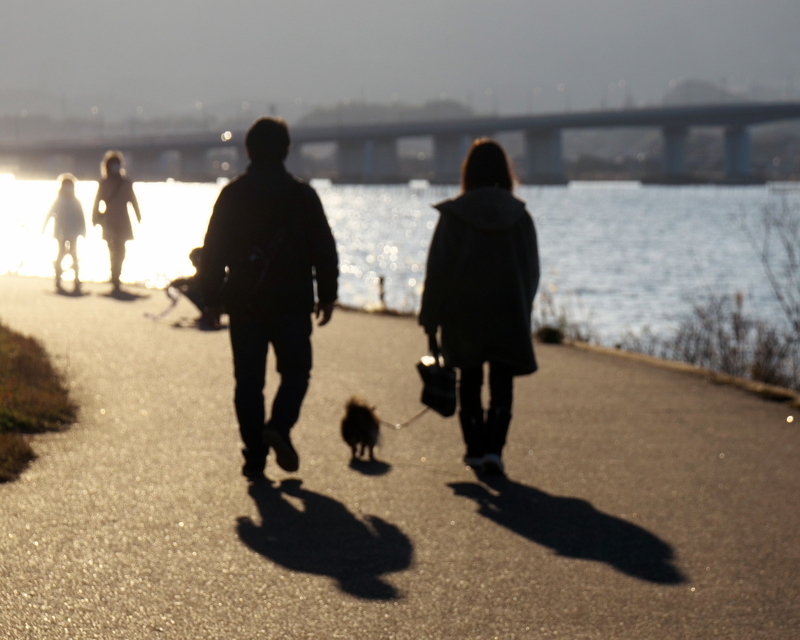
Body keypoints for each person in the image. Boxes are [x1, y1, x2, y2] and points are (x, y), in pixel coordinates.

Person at [201, 117, 339, 480]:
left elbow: (214, 250)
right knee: (296, 371)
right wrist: (327, 294)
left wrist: (210, 299)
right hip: (292, 300)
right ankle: (279, 425)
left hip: (244, 300)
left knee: (248, 381)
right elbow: (324, 248)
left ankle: (254, 454)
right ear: (286, 150)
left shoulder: (233, 194)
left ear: (247, 150)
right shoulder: (302, 195)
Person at [419, 138, 540, 476]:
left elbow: (438, 270)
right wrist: (524, 305)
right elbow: (531, 269)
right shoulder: (519, 216)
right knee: (503, 381)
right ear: (505, 171)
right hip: (507, 309)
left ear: (468, 172)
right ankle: (494, 451)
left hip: (463, 311)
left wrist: (430, 318)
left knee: (468, 379)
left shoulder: (455, 215)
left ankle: (473, 448)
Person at [92, 150, 141, 293]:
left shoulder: (126, 183)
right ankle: (114, 276)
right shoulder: (104, 183)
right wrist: (94, 218)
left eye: (117, 164)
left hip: (124, 220)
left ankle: (116, 275)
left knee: (121, 249)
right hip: (109, 221)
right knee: (112, 248)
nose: (115, 167)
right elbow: (97, 202)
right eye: (113, 164)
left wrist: (138, 216)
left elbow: (133, 200)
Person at [42, 173, 86, 293]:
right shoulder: (59, 200)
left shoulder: (75, 201)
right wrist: (44, 227)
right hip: (61, 232)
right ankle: (58, 278)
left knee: (73, 254)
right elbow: (50, 214)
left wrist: (83, 230)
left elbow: (81, 217)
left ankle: (76, 279)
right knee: (61, 254)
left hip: (73, 232)